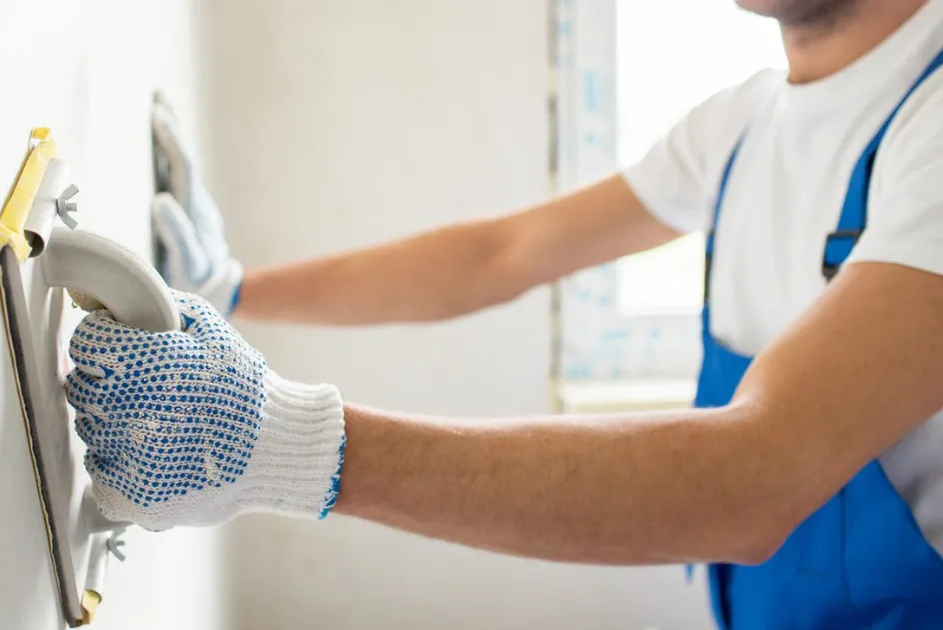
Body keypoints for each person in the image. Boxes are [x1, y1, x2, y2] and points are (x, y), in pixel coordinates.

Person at [68, 0, 943, 627]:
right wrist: (234, 287)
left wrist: (284, 444)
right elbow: (502, 256)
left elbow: (755, 480)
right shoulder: (745, 123)